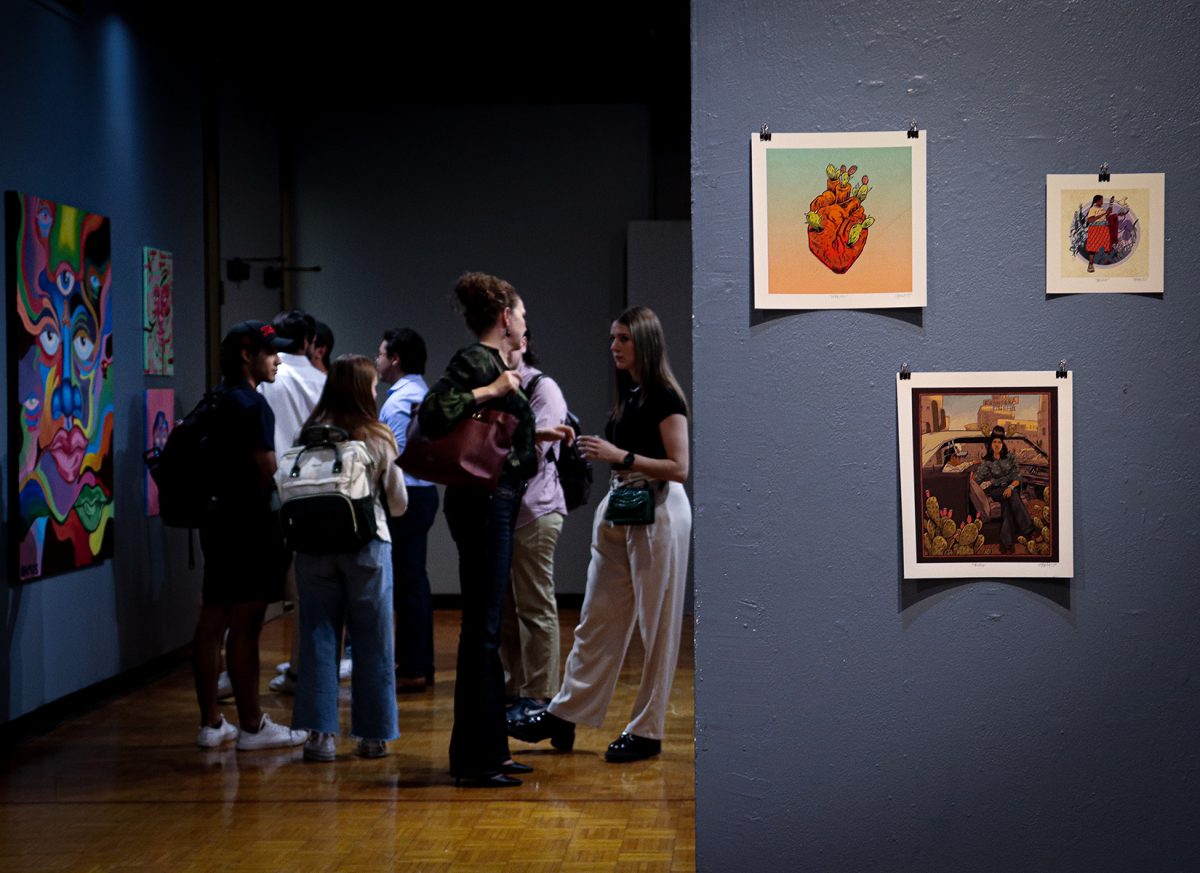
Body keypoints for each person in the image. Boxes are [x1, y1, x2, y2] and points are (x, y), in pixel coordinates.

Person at [509, 306, 691, 764]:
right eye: (613, 338)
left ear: (644, 342)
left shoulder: (665, 396)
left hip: (658, 509)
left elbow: (680, 467)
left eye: (623, 338)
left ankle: (647, 731)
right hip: (621, 508)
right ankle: (565, 713)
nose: (614, 346)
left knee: (656, 627)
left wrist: (619, 454)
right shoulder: (630, 394)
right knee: (595, 618)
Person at [418, 272, 571, 787]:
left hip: (494, 503)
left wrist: (533, 427)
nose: (526, 323)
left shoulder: (494, 364)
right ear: (505, 317)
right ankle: (475, 758)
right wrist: (493, 388)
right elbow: (435, 412)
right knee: (481, 634)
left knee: (486, 631)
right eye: (522, 314)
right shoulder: (478, 362)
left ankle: (490, 752)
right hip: (484, 505)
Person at [192, 320, 307, 751]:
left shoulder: (216, 400)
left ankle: (210, 724)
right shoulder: (253, 405)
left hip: (215, 523)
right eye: (270, 352)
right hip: (249, 527)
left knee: (211, 620)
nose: (277, 359)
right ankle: (253, 726)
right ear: (248, 355)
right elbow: (267, 470)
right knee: (246, 626)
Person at [290, 355, 408, 762]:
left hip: (311, 548)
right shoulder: (376, 434)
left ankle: (318, 736)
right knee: (373, 638)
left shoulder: (308, 434)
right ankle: (373, 735)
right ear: (362, 389)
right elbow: (398, 502)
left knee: (318, 636)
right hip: (366, 546)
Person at [500, 332, 568, 721]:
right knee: (508, 606)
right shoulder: (491, 388)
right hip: (505, 513)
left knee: (535, 604)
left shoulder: (542, 388)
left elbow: (533, 455)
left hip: (535, 510)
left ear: (523, 342)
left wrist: (492, 444)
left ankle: (541, 695)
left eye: (508, 341)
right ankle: (515, 687)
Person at [258, 309, 327, 695]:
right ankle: (303, 670)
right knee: (308, 591)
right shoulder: (324, 381)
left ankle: (238, 671)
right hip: (315, 494)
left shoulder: (267, 380)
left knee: (252, 594)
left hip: (270, 490)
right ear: (309, 342)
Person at [376, 328, 439, 692]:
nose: (377, 359)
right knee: (414, 581)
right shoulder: (419, 391)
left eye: (381, 353)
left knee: (408, 583)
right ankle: (418, 664)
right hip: (422, 494)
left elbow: (395, 457)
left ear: (395, 359)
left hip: (407, 497)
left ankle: (412, 667)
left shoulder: (400, 400)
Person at [973, 426, 1038, 554]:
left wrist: (1010, 486)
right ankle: (1029, 529)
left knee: (1008, 506)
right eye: (994, 442)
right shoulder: (987, 462)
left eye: (999, 442)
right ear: (990, 444)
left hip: (1011, 487)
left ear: (1003, 444)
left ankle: (1007, 545)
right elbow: (977, 479)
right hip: (996, 491)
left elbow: (1018, 477)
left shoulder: (1010, 457)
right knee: (1012, 495)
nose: (997, 445)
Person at [1084, 194, 1113, 273]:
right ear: (1097, 201)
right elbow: (1090, 220)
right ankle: (1090, 264)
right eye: (1101, 200)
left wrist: (1111, 204)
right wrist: (1104, 213)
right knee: (1093, 247)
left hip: (1103, 229)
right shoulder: (1093, 209)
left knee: (1106, 245)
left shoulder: (1101, 208)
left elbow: (1105, 217)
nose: (1102, 202)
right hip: (1095, 229)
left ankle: (1106, 263)